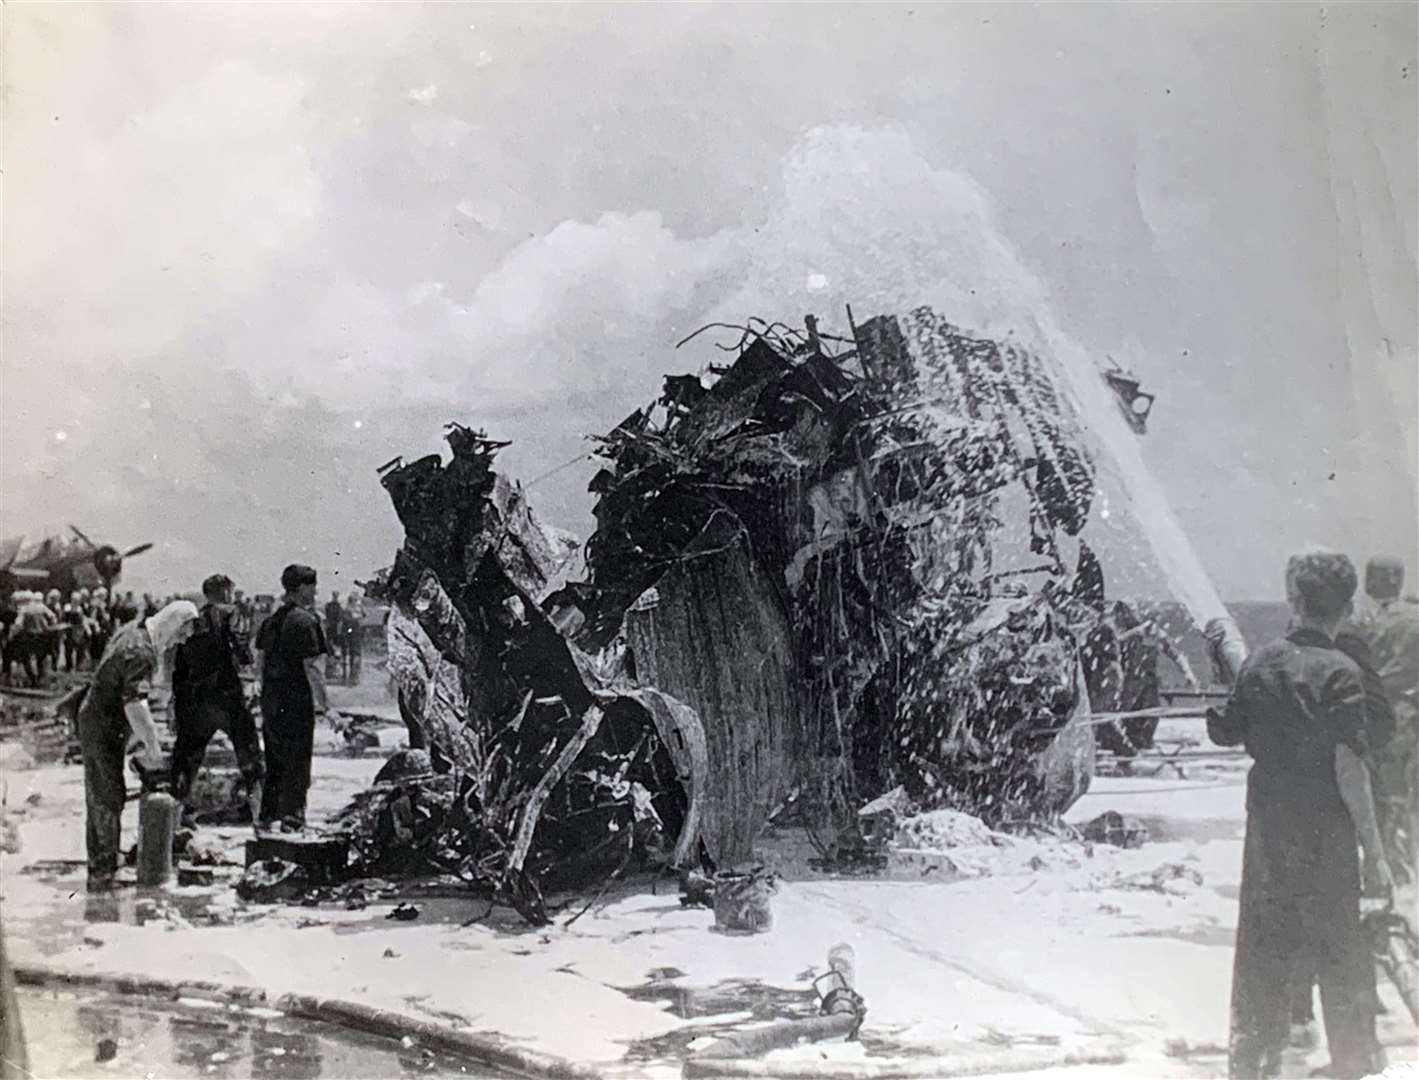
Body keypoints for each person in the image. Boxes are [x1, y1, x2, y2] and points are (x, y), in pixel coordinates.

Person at [1207, 551, 1391, 1079]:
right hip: (1326, 832)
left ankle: (1252, 1063)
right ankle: (1351, 1064)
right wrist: (1374, 853)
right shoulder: (1343, 672)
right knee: (1339, 948)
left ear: (1293, 600)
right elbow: (1348, 768)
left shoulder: (1261, 662)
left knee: (1263, 947)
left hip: (1268, 828)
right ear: (1347, 607)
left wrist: (1232, 674)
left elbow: (1226, 731)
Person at [76, 600, 199, 890]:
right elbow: (135, 703)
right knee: (107, 794)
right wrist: (153, 747)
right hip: (102, 725)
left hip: (102, 720)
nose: (180, 641)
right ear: (174, 624)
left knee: (104, 791)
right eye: (182, 633)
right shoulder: (142, 651)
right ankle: (103, 870)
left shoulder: (135, 631)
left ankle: (104, 860)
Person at [171, 575, 263, 829]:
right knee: (251, 758)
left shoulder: (190, 621)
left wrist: (177, 704)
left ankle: (174, 821)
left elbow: (179, 666)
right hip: (227, 695)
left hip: (195, 699)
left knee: (186, 760)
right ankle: (261, 819)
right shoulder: (233, 614)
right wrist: (250, 681)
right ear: (225, 592)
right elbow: (241, 652)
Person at [1359, 555, 1419, 883]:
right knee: (1408, 799)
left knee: (1378, 797)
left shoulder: (1361, 621)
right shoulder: (1416, 617)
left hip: (1375, 717)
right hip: (1412, 716)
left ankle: (1386, 869)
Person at [256, 565, 328, 832]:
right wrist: (326, 706)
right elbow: (312, 668)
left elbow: (260, 661)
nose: (315, 591)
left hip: (272, 700)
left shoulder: (269, 622)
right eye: (312, 586)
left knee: (275, 759)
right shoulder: (306, 622)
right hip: (296, 700)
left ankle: (267, 816)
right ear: (302, 588)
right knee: (298, 761)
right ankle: (293, 818)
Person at [1107, 601, 1200, 755]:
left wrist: (1187, 672)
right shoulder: (1123, 632)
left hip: (1147, 680)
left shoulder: (1152, 632)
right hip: (1128, 681)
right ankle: (1123, 750)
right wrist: (1134, 633)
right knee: (1123, 715)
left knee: (1151, 715)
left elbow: (1174, 653)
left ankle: (1139, 747)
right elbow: (1113, 642)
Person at [323, 591, 344, 680]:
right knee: (332, 648)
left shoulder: (335, 606)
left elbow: (339, 619)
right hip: (332, 629)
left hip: (333, 629)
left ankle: (333, 671)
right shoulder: (335, 606)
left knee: (334, 649)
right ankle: (331, 671)